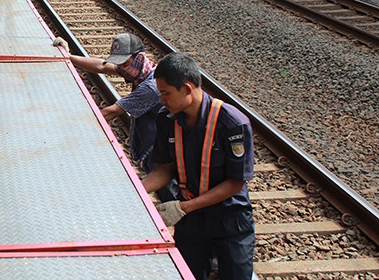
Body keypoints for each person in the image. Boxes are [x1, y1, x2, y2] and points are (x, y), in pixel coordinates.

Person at [142, 52, 255, 280]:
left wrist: (186, 207)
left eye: (166, 93)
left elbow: (235, 182)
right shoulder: (168, 119)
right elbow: (164, 168)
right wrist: (135, 193)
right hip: (193, 220)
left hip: (229, 218)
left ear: (186, 88)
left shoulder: (232, 124)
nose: (162, 100)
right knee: (188, 274)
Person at [54, 33, 162, 172]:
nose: (122, 68)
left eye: (124, 63)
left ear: (139, 57)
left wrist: (66, 131)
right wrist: (68, 57)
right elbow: (102, 66)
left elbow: (111, 112)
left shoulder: (150, 88)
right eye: (119, 64)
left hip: (159, 157)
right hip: (153, 150)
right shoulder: (139, 70)